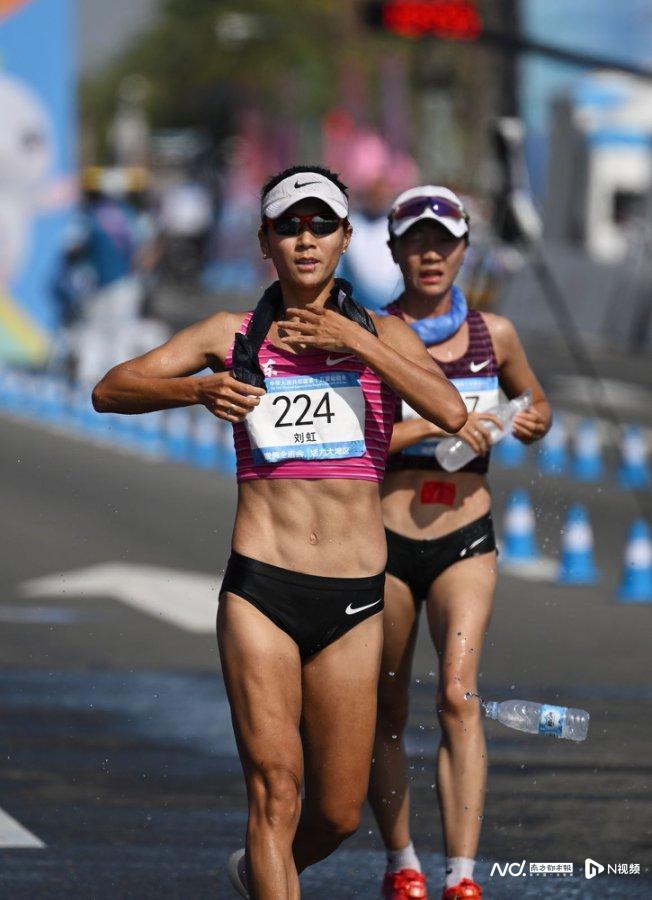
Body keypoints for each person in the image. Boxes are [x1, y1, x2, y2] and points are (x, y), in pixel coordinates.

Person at [91, 167, 467, 900]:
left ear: (345, 238)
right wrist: (197, 388)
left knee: (336, 814)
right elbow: (110, 389)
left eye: (322, 224)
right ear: (265, 241)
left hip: (354, 600)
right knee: (276, 788)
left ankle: (255, 875)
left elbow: (450, 411)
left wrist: (355, 342)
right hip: (262, 590)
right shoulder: (229, 334)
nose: (306, 239)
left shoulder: (384, 333)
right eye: (289, 226)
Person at [367, 186, 551, 900]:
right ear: (394, 251)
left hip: (464, 539)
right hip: (384, 541)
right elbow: (357, 438)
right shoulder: (374, 334)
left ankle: (462, 877)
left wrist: (530, 420)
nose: (430, 254)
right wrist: (439, 422)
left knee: (457, 695)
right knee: (386, 709)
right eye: (415, 241)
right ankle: (402, 863)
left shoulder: (493, 335)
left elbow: (536, 402)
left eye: (443, 241)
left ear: (465, 250)